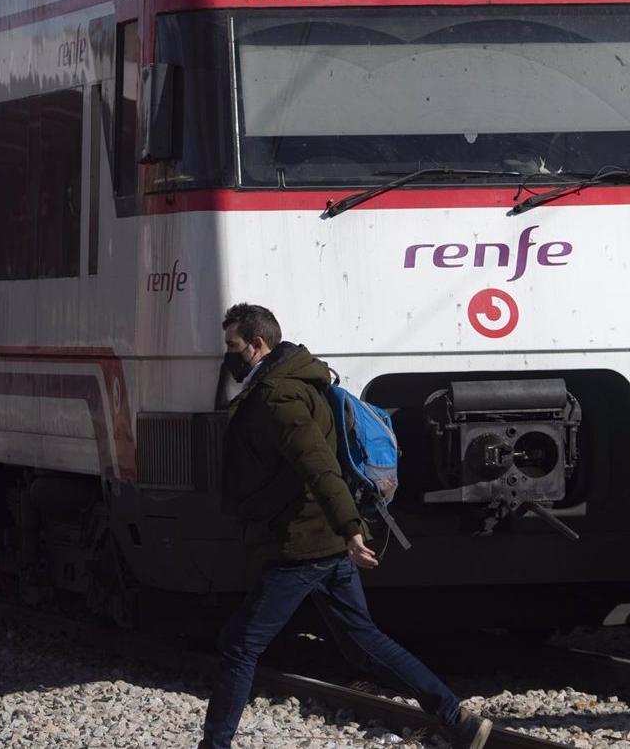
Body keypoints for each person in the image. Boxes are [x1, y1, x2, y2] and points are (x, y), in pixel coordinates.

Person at [199, 303, 493, 749]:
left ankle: (214, 745)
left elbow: (318, 466)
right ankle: (459, 719)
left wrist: (351, 529)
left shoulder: (280, 397)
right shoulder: (304, 380)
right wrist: (344, 533)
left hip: (304, 545)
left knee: (240, 646)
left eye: (233, 345)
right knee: (362, 643)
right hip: (325, 540)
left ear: (257, 345)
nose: (229, 354)